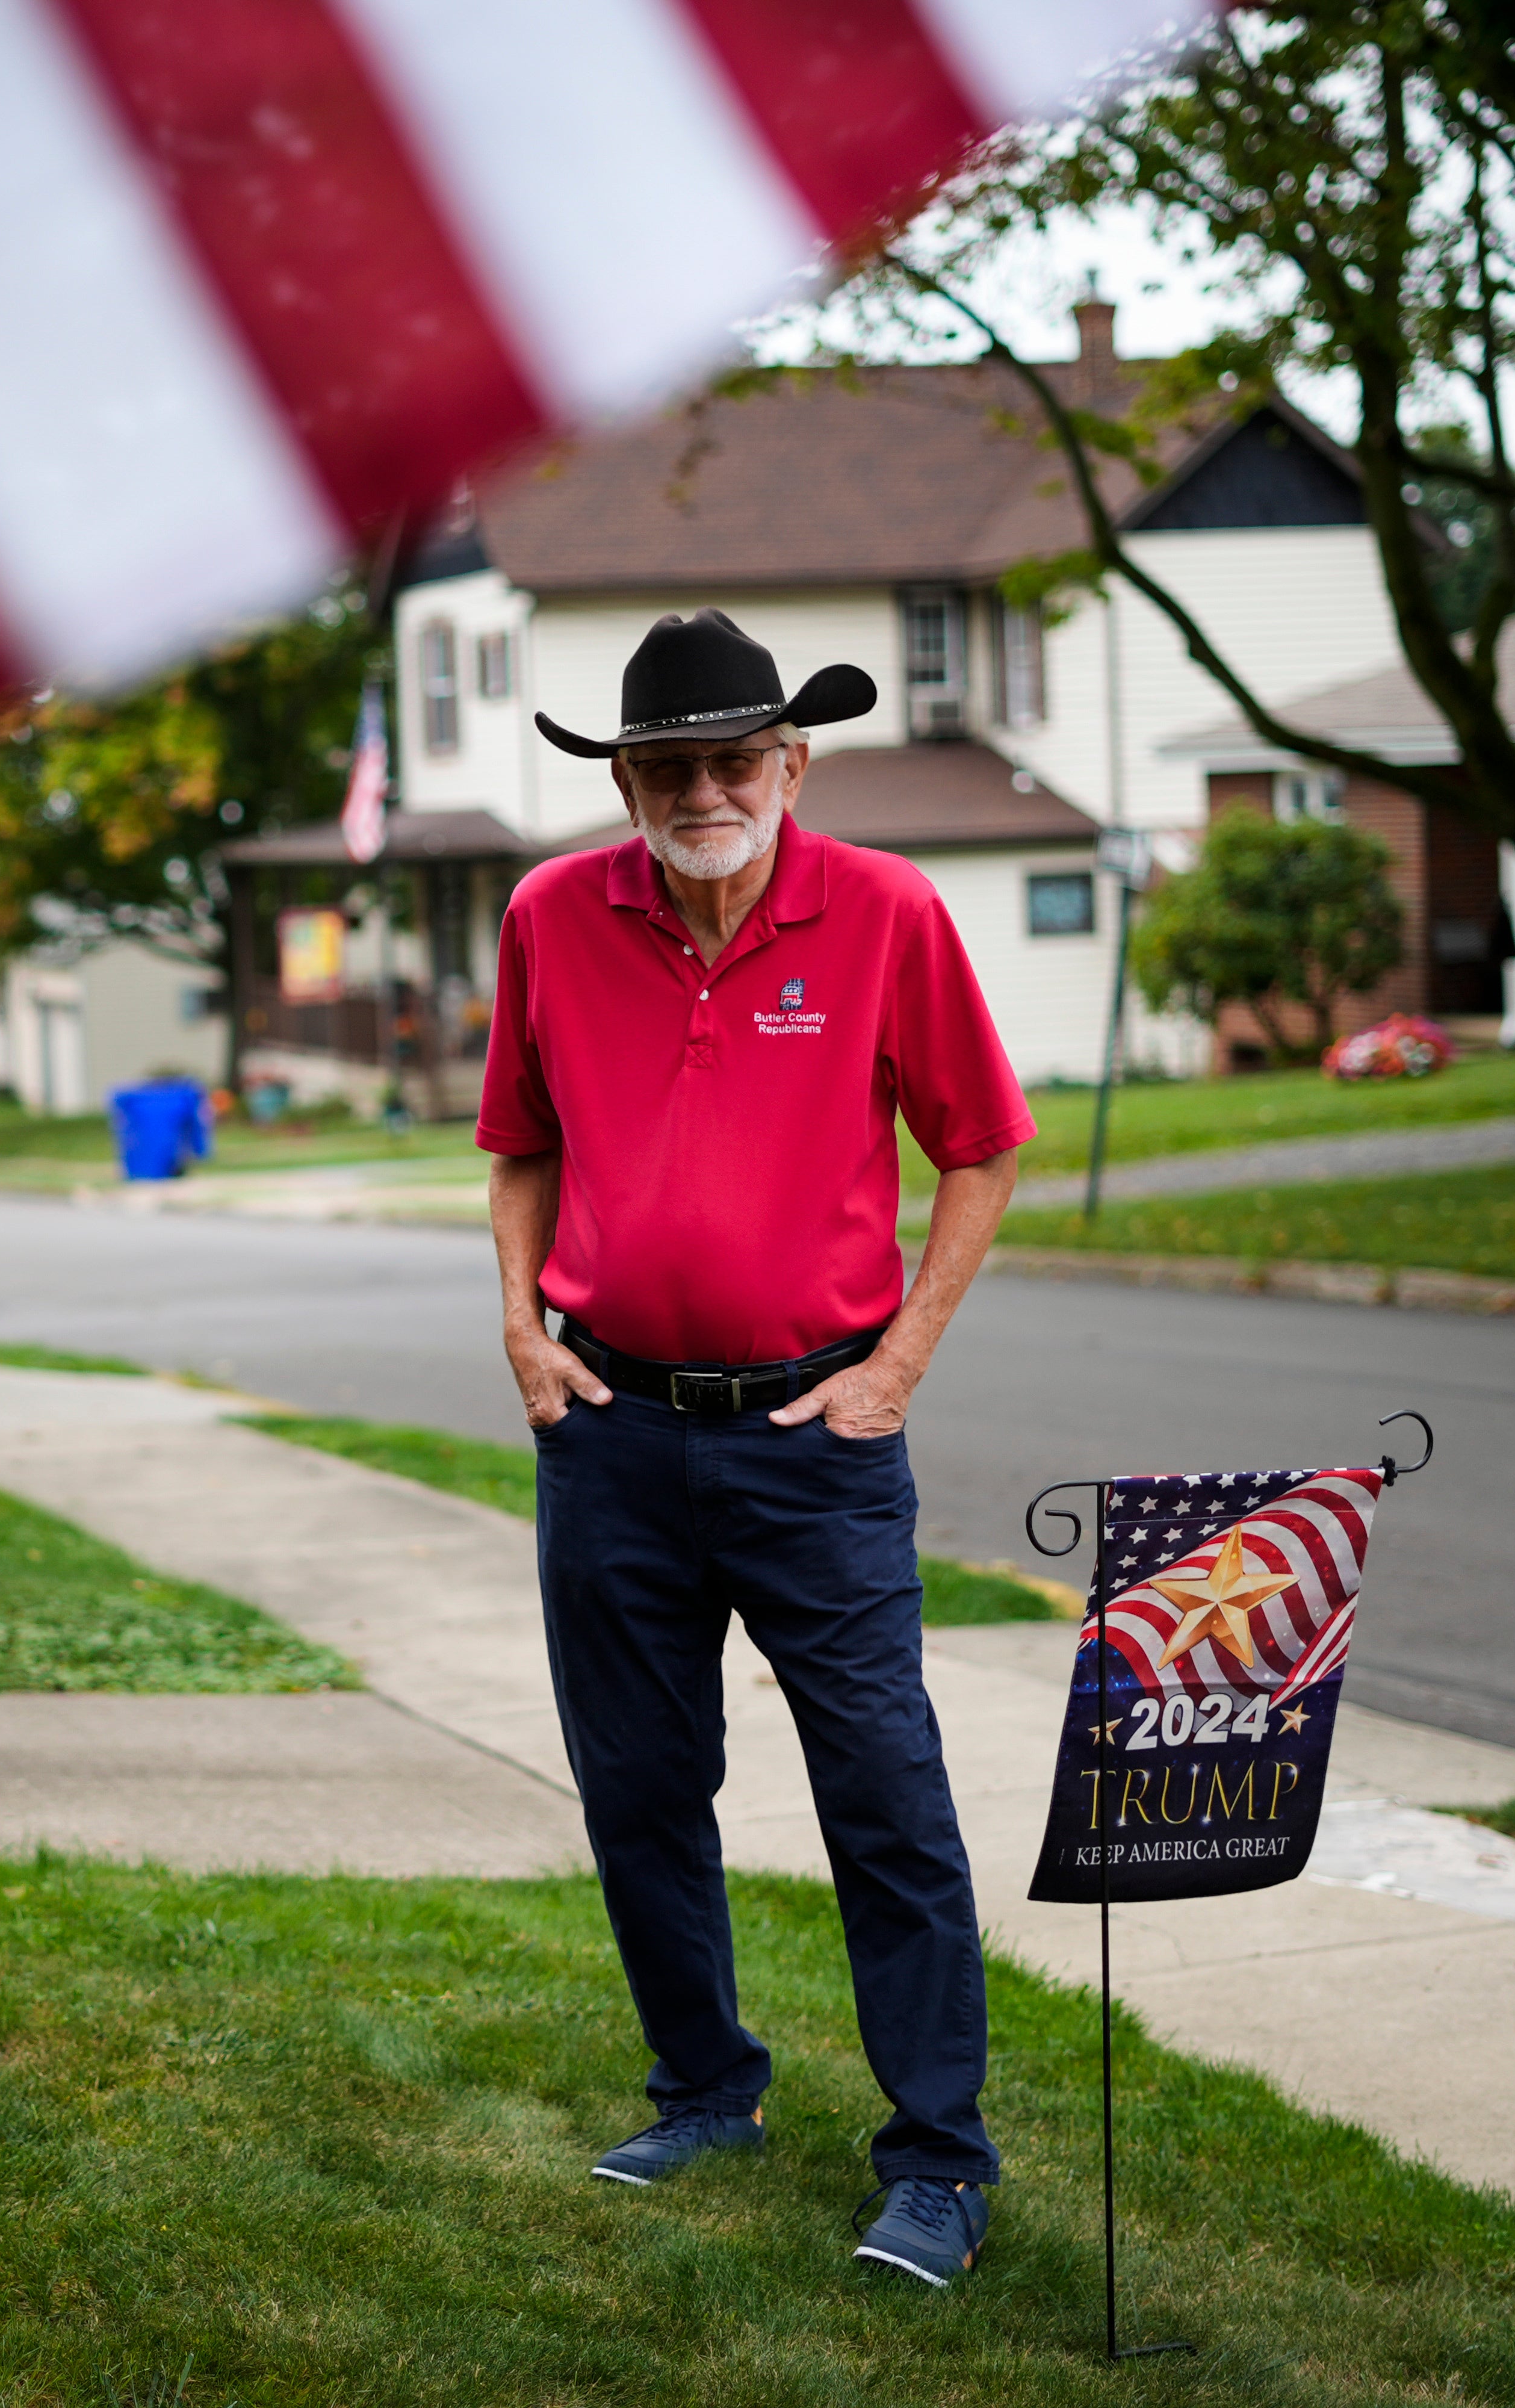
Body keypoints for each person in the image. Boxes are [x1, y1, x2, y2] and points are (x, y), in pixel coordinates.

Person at [480, 608, 1031, 2287]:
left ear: (794, 764)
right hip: (612, 1436)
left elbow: (982, 1149)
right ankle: (706, 2090)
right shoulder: (550, 914)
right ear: (628, 777)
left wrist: (900, 1367)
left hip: (818, 1439)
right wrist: (520, 1324)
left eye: (735, 758)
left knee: (886, 1798)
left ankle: (938, 2158)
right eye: (668, 764)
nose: (703, 789)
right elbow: (517, 1144)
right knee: (642, 1789)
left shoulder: (885, 913)